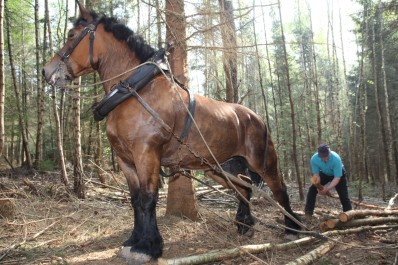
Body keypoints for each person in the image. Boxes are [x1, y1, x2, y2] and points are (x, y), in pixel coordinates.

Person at [305, 144, 352, 217]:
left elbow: (337, 178)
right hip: (324, 173)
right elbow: (316, 174)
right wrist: (318, 186)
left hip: (338, 174)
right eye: (322, 157)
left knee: (343, 195)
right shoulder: (314, 159)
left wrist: (326, 189)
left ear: (329, 152)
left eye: (326, 156)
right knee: (312, 190)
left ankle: (349, 214)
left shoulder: (336, 159)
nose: (324, 159)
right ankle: (308, 213)